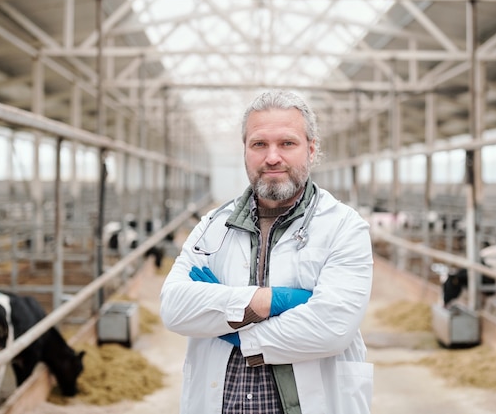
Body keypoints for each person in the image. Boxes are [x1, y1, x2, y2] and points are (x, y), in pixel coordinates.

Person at [159, 89, 374, 414]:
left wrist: (229, 321)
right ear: (245, 150)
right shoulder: (213, 226)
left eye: (287, 143)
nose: (272, 157)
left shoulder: (344, 227)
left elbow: (332, 329)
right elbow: (174, 308)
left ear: (312, 149)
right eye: (259, 144)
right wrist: (273, 302)